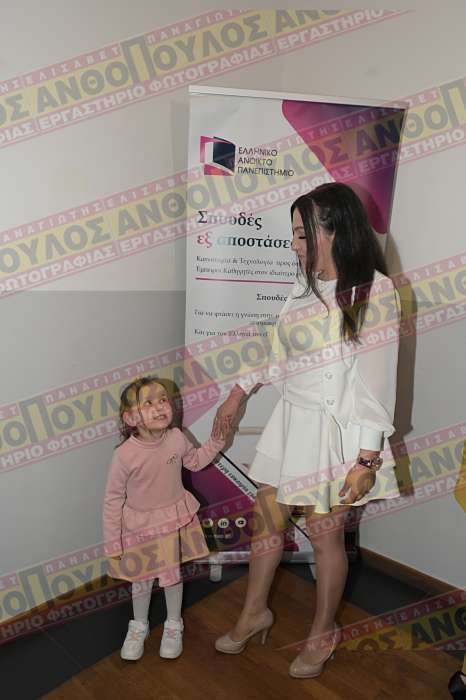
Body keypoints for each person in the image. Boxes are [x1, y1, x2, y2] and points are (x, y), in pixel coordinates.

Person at [212, 182, 402, 678]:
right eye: (294, 234)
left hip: (336, 435)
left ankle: (323, 630)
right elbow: (275, 353)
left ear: (332, 230)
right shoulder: (304, 286)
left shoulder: (375, 291)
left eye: (301, 234)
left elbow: (375, 384)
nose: (294, 244)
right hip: (291, 422)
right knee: (266, 522)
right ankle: (255, 613)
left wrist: (366, 459)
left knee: (323, 537)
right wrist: (237, 393)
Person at [103, 375, 225, 662]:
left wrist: (217, 441)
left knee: (171, 577)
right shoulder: (124, 455)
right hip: (139, 527)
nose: (160, 406)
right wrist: (113, 543)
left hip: (170, 522)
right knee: (141, 579)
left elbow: (195, 461)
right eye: (149, 403)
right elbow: (112, 499)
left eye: (163, 400)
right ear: (131, 417)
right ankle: (139, 625)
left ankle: (173, 623)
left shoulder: (176, 438)